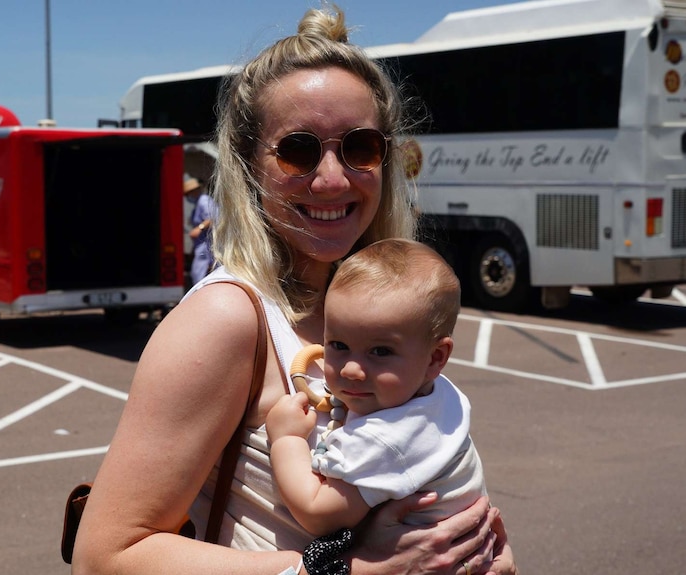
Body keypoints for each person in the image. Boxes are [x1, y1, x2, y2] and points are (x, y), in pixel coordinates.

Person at [72, 5, 517, 575]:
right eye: (300, 150)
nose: (332, 178)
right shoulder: (228, 318)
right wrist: (342, 570)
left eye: (359, 147)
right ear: (249, 163)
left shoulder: (377, 304)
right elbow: (105, 556)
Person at [266, 238, 488, 540]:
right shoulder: (439, 395)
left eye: (380, 352)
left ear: (436, 358)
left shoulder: (386, 439)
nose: (351, 370)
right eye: (339, 345)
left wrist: (286, 438)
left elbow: (318, 513)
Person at [184, 175, 218, 285]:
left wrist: (199, 228)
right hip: (203, 246)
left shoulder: (203, 201)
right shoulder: (199, 203)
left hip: (206, 245)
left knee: (198, 274)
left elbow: (212, 218)